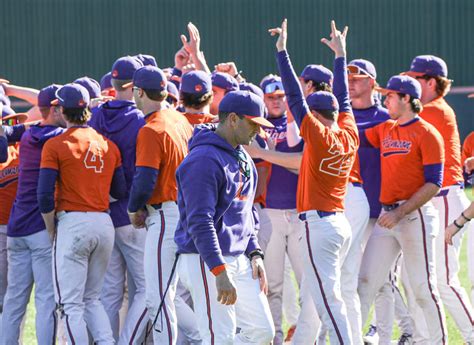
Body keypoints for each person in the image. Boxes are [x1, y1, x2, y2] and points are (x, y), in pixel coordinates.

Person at [270, 18, 359, 343]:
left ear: (317, 116)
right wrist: (340, 56)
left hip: (318, 227)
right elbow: (344, 99)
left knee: (328, 302)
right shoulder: (349, 133)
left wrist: (282, 52)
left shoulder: (319, 136)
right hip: (337, 221)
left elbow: (294, 96)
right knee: (314, 298)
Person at [174, 90, 275, 344]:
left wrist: (255, 253)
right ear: (232, 119)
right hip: (205, 258)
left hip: (239, 256)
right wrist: (218, 269)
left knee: (263, 332)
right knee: (220, 336)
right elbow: (200, 221)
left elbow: (247, 211)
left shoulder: (242, 155)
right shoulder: (203, 159)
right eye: (253, 123)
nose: (258, 131)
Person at [357, 74, 448, 344]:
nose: (385, 100)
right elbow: (353, 136)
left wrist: (400, 212)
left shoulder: (428, 133)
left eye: (390, 96)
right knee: (365, 284)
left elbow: (434, 183)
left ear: (407, 98)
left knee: (422, 289)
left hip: (414, 216)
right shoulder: (385, 128)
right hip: (388, 216)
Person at [37, 83, 126, 344]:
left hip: (73, 222)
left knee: (70, 305)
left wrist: (52, 227)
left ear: (62, 111)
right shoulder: (108, 144)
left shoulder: (55, 145)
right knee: (92, 299)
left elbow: (43, 196)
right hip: (103, 222)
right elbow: (120, 191)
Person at [404, 55, 474, 343]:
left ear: (431, 82)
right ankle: (422, 339)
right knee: (417, 280)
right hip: (431, 201)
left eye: (417, 79)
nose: (412, 84)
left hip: (445, 200)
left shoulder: (434, 111)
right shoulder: (428, 110)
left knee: (445, 281)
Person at [126, 66, 193, 345]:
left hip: (166, 214)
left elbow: (145, 179)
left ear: (139, 92)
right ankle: (202, 335)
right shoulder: (179, 120)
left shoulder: (151, 128)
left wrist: (133, 209)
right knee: (173, 294)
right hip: (186, 210)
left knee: (158, 297)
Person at [90, 55, 149, 344]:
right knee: (147, 288)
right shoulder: (139, 118)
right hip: (132, 214)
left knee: (110, 292)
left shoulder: (97, 115)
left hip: (103, 210)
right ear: (134, 85)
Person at [1, 85, 64, 345]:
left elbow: (39, 110)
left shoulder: (28, 136)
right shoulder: (58, 136)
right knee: (46, 297)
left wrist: (8, 89)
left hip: (16, 228)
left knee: (14, 299)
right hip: (37, 227)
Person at [257, 73, 305, 345]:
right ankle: (274, 337)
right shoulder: (258, 126)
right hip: (271, 212)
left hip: (300, 212)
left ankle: (307, 336)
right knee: (272, 284)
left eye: (281, 97)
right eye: (271, 97)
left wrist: (269, 156)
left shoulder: (299, 123)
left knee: (305, 282)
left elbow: (303, 166)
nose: (276, 102)